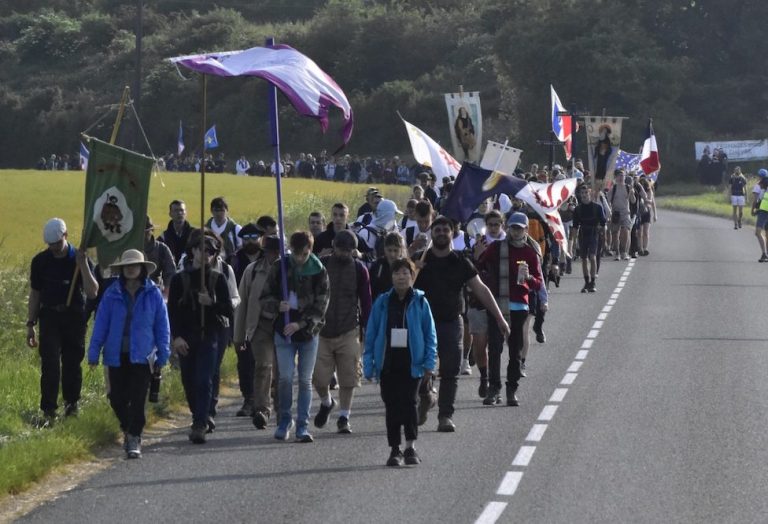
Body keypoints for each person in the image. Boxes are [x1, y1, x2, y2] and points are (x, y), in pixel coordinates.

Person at [413, 216, 509, 432]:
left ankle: (445, 415)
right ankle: (426, 395)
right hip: (422, 324)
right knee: (418, 369)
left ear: (452, 233)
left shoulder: (461, 261)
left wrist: (499, 317)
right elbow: (400, 288)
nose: (440, 233)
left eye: (445, 230)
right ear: (431, 233)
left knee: (450, 370)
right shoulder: (420, 260)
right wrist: (413, 267)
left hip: (451, 323)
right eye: (436, 229)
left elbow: (481, 289)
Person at [87, 249, 170, 458]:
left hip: (143, 355)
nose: (131, 269)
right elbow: (101, 324)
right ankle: (127, 427)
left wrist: (163, 352)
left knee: (138, 396)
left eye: (135, 265)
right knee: (116, 397)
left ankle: (134, 437)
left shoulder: (153, 294)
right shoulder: (111, 293)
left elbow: (162, 325)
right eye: (127, 266)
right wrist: (94, 352)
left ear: (142, 268)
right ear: (122, 270)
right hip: (116, 353)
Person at [364, 258, 437, 467]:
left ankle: (410, 446)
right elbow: (372, 333)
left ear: (412, 276)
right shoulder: (382, 302)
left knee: (410, 403)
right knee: (392, 405)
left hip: (412, 362)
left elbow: (429, 334)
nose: (401, 277)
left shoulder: (421, 302)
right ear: (391, 277)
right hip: (388, 362)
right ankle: (394, 449)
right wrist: (368, 363)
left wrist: (429, 363)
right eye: (397, 273)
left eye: (405, 273)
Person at [26, 218, 98, 423]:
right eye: (50, 245)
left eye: (57, 244)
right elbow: (35, 294)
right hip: (49, 317)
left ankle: (71, 404)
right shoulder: (40, 261)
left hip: (74, 317)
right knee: (50, 363)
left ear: (65, 236)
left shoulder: (79, 258)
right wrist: (30, 324)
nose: (54, 249)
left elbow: (92, 292)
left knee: (72, 362)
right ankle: (48, 409)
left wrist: (83, 264)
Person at [260, 232, 330, 443]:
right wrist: (277, 306)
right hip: (283, 333)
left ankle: (302, 425)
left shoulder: (319, 271)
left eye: (304, 254)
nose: (300, 258)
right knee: (285, 377)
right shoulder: (280, 267)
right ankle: (284, 421)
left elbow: (322, 305)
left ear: (310, 249)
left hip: (308, 334)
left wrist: (300, 323)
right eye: (297, 254)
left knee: (305, 380)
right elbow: (264, 297)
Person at [167, 230, 232, 444]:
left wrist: (211, 303)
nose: (207, 255)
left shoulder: (217, 279)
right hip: (186, 338)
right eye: (203, 250)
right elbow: (172, 313)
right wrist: (176, 337)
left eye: (211, 252)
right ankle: (199, 414)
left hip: (208, 336)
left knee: (204, 380)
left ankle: (200, 423)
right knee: (189, 381)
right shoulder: (179, 280)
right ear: (193, 251)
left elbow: (228, 312)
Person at [475, 212, 543, 407]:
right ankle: (494, 388)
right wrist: (478, 254)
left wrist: (530, 278)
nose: (515, 232)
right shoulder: (497, 248)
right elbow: (479, 265)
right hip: (496, 304)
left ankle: (511, 389)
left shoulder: (531, 253)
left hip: (520, 305)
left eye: (519, 228)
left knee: (515, 350)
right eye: (513, 227)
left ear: (525, 230)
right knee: (495, 347)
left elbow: (539, 283)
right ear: (508, 228)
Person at [313, 231, 372, 434]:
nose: (344, 254)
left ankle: (344, 417)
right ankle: (326, 402)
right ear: (333, 245)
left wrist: (366, 328)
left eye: (348, 250)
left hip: (349, 330)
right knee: (319, 379)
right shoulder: (319, 265)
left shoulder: (360, 269)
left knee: (348, 378)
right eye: (340, 249)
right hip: (321, 330)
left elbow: (365, 300)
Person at [234, 235, 281, 429]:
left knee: (282, 372)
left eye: (277, 251)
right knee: (263, 366)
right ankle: (262, 410)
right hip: (260, 326)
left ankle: (282, 409)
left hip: (283, 327)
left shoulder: (289, 270)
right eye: (270, 251)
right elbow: (242, 302)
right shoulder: (252, 271)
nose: (274, 255)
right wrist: (238, 336)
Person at [572, 185, 607, 293]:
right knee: (583, 259)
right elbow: (575, 226)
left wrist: (604, 239)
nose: (584, 195)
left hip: (594, 234)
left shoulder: (597, 208)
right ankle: (586, 282)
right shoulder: (577, 209)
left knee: (592, 256)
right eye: (582, 193)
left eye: (586, 193)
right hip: (583, 235)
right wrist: (574, 242)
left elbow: (603, 223)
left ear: (590, 194)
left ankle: (593, 282)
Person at [608, 171, 636, 260]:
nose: (621, 177)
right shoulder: (613, 188)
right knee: (615, 234)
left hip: (625, 213)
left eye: (623, 176)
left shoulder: (628, 188)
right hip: (615, 213)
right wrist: (609, 214)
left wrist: (631, 193)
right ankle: (617, 253)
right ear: (616, 177)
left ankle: (624, 252)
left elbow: (633, 201)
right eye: (619, 176)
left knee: (625, 231)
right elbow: (608, 201)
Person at [143, 216, 176, 293]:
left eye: (146, 231)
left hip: (155, 291)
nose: (143, 234)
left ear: (152, 231)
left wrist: (167, 293)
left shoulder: (161, 248)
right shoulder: (130, 249)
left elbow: (170, 273)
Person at [369, 232, 406, 300]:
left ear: (401, 250)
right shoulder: (377, 265)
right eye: (389, 250)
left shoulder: (406, 267)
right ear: (384, 249)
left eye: (396, 250)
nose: (392, 254)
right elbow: (370, 289)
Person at [159, 200, 192, 264]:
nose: (179, 213)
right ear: (170, 214)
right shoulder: (164, 237)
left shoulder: (194, 234)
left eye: (182, 210)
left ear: (186, 213)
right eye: (176, 210)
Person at [751, 170, 768, 262]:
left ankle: (764, 254)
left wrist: (753, 210)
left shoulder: (759, 185)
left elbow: (756, 200)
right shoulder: (762, 184)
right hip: (763, 210)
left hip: (764, 211)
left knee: (758, 232)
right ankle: (765, 254)